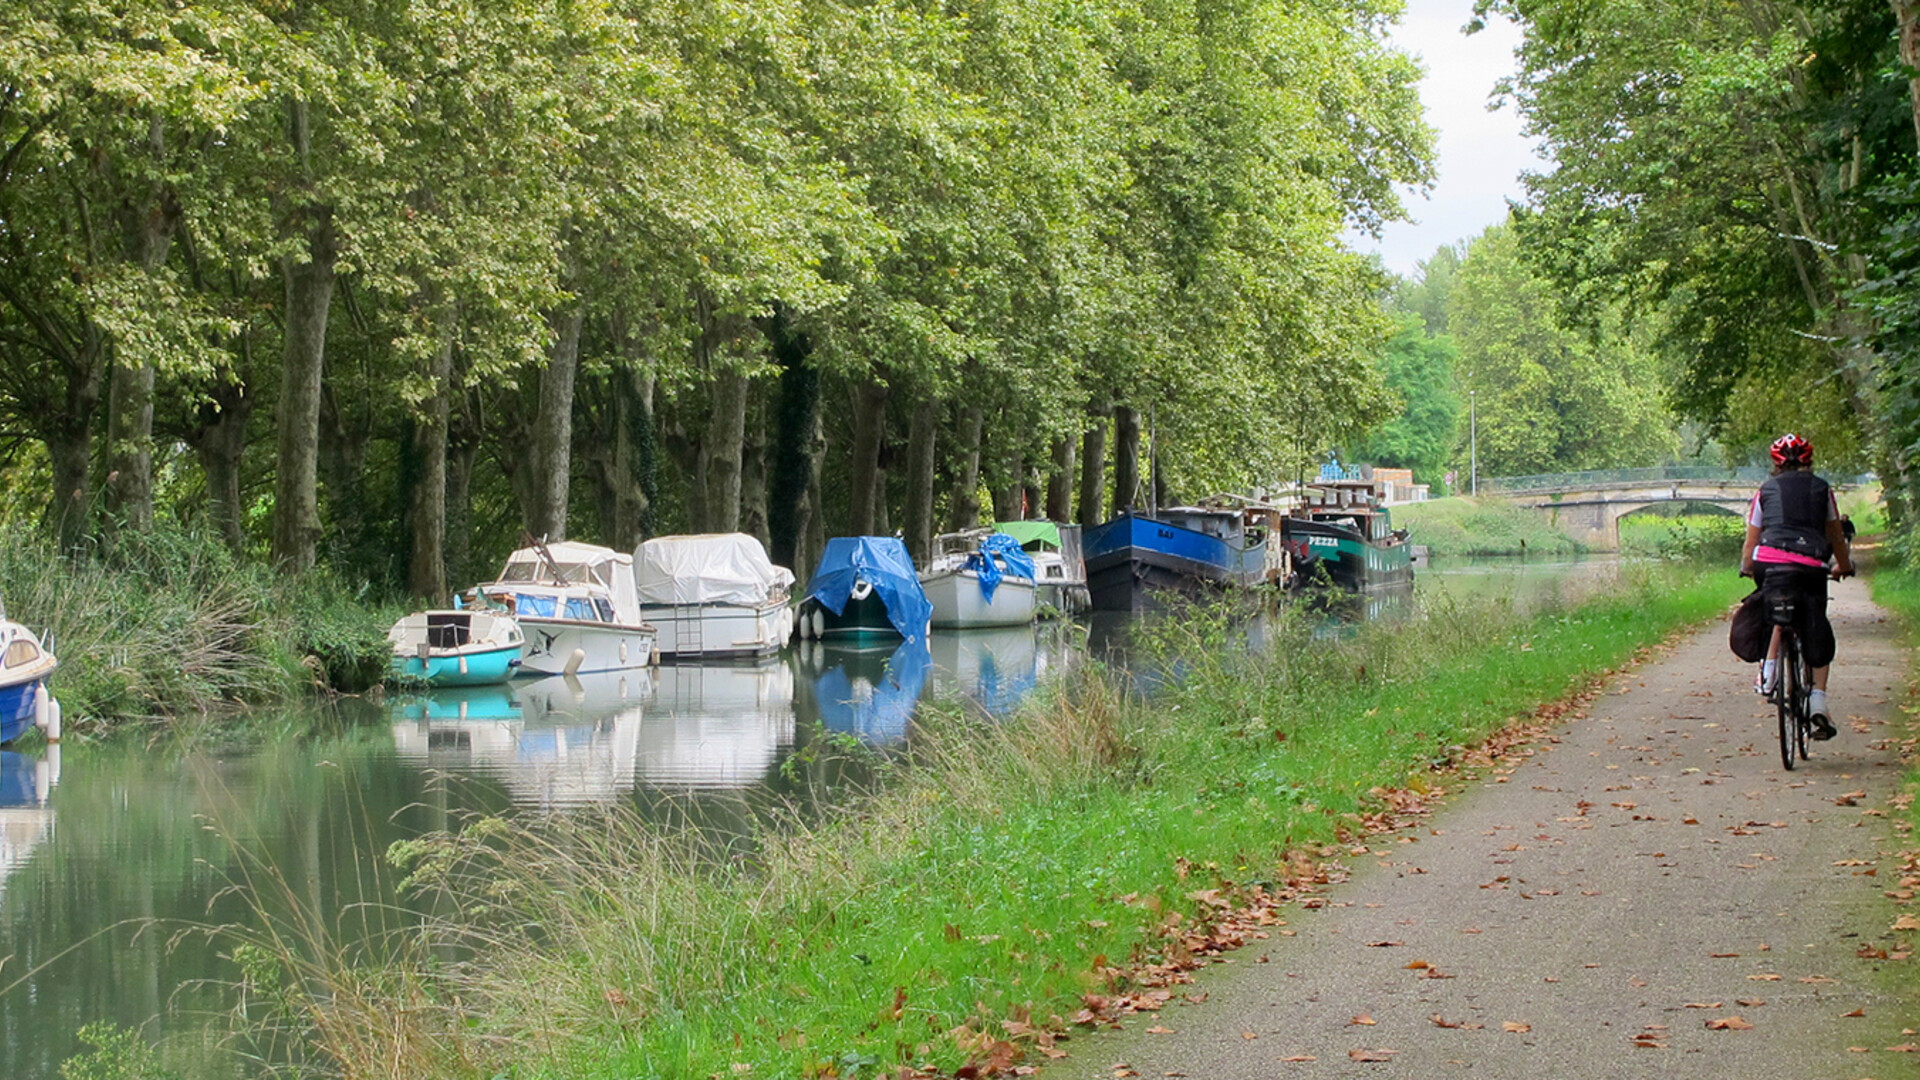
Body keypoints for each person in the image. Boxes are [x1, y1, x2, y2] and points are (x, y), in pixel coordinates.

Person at [1739, 433, 1854, 739]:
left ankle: (1767, 671)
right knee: (1814, 617)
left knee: (1774, 604)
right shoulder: (1822, 489)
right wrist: (1843, 565)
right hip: (1811, 563)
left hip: (1769, 560)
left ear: (1775, 464)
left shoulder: (1764, 491)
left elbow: (1752, 539)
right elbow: (1835, 535)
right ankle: (1818, 700)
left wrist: (1747, 567)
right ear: (1809, 461)